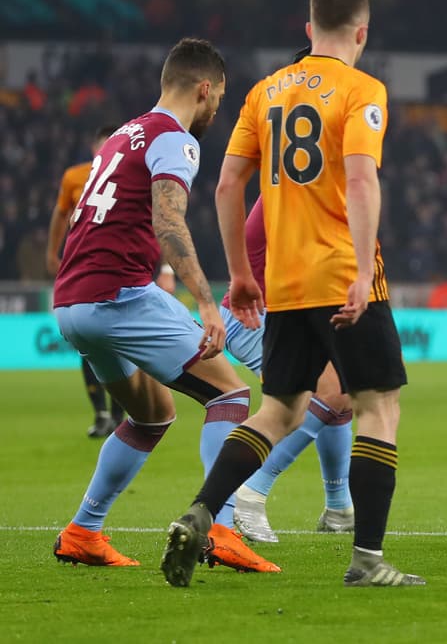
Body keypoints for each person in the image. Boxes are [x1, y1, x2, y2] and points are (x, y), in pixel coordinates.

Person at [162, 0, 422, 588]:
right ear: (362, 32)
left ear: (309, 30)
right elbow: (360, 181)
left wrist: (242, 276)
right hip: (341, 276)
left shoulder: (264, 92)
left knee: (279, 409)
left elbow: (228, 187)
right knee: (378, 406)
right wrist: (361, 270)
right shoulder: (363, 90)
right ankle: (367, 560)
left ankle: (204, 510)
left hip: (283, 284)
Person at [51, 38, 278, 575]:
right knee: (233, 392)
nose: (217, 109)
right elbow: (168, 222)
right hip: (119, 295)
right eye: (219, 98)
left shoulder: (121, 137)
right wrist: (208, 303)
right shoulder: (175, 140)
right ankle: (217, 528)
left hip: (71, 302)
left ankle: (83, 531)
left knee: (151, 415)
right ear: (204, 89)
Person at [226, 198, 356, 543]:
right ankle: (251, 492)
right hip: (256, 315)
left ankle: (339, 510)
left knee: (339, 396)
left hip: (287, 310)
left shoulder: (309, 186)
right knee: (325, 395)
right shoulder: (293, 192)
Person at [47, 125, 126, 438]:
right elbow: (59, 213)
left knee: (117, 343)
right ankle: (101, 414)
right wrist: (52, 253)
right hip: (82, 271)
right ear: (95, 148)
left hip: (118, 271)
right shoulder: (74, 177)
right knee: (87, 343)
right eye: (102, 146)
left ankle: (120, 415)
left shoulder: (130, 176)